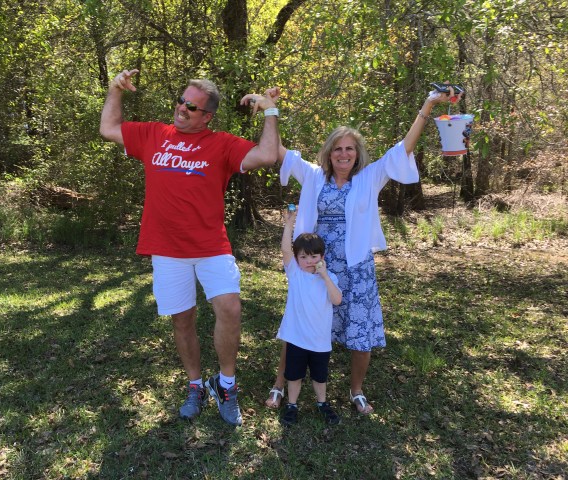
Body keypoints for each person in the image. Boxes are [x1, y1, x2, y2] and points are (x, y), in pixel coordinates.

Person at [100, 69, 280, 426]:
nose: (182, 109)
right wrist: (115, 90)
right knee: (183, 321)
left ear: (207, 116)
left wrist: (270, 110)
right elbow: (109, 128)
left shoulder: (221, 143)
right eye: (182, 101)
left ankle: (226, 385)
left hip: (211, 246)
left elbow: (267, 155)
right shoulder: (153, 134)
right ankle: (195, 386)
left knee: (230, 308)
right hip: (167, 250)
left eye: (192, 107)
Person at [265, 85, 461, 414]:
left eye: (350, 149)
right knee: (300, 323)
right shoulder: (313, 176)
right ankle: (279, 384)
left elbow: (404, 148)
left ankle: (356, 390)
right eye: (338, 149)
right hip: (316, 264)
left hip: (356, 266)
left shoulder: (369, 177)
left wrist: (428, 104)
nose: (344, 154)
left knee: (361, 329)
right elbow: (279, 151)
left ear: (357, 154)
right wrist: (270, 110)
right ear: (329, 153)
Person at [277, 207, 343, 426]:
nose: (308, 261)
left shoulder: (329, 277)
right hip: (297, 338)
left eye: (314, 256)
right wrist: (289, 223)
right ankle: (292, 405)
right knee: (294, 375)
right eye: (303, 257)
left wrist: (325, 276)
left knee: (320, 376)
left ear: (322, 257)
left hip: (319, 340)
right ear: (297, 259)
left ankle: (322, 403)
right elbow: (285, 249)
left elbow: (337, 300)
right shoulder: (295, 274)